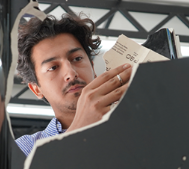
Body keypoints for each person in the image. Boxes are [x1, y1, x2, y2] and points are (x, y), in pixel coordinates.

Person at [15, 13, 132, 156]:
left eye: (77, 58)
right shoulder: (24, 149)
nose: (71, 73)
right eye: (53, 67)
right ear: (36, 89)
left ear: (93, 68)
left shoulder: (134, 129)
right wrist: (77, 131)